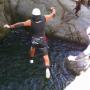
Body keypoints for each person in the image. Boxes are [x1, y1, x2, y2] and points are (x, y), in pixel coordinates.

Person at [4, 7, 56, 79]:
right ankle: (47, 68)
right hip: (43, 39)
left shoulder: (30, 21)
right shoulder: (44, 18)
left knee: (33, 48)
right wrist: (53, 9)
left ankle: (31, 59)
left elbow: (20, 24)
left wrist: (10, 26)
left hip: (35, 39)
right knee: (45, 55)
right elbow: (53, 14)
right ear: (39, 14)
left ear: (33, 15)